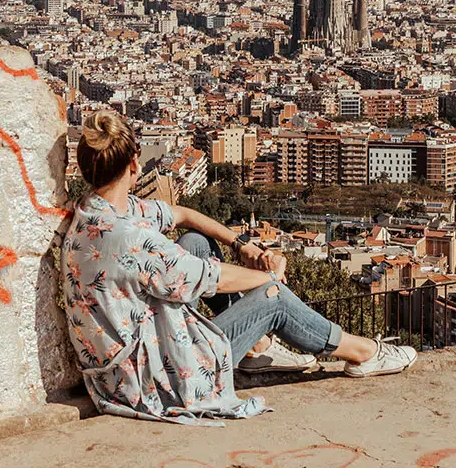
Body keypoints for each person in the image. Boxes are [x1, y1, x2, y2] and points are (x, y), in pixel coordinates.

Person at [61, 110, 416, 424]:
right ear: (134, 164)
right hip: (160, 380)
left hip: (121, 369)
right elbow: (214, 278)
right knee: (273, 297)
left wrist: (241, 244)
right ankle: (363, 353)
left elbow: (183, 215)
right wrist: (270, 276)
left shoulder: (97, 211)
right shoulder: (132, 239)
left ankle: (255, 347)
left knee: (195, 243)